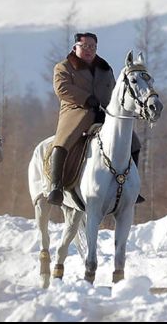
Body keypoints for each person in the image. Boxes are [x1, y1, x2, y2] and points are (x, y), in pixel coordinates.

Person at [49, 32, 143, 206]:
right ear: (75, 47)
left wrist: (113, 109)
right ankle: (56, 186)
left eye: (92, 47)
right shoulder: (64, 67)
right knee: (63, 141)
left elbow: (115, 92)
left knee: (134, 143)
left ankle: (132, 187)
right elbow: (62, 88)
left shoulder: (105, 68)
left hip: (104, 112)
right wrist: (86, 99)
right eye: (84, 46)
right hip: (75, 111)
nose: (89, 50)